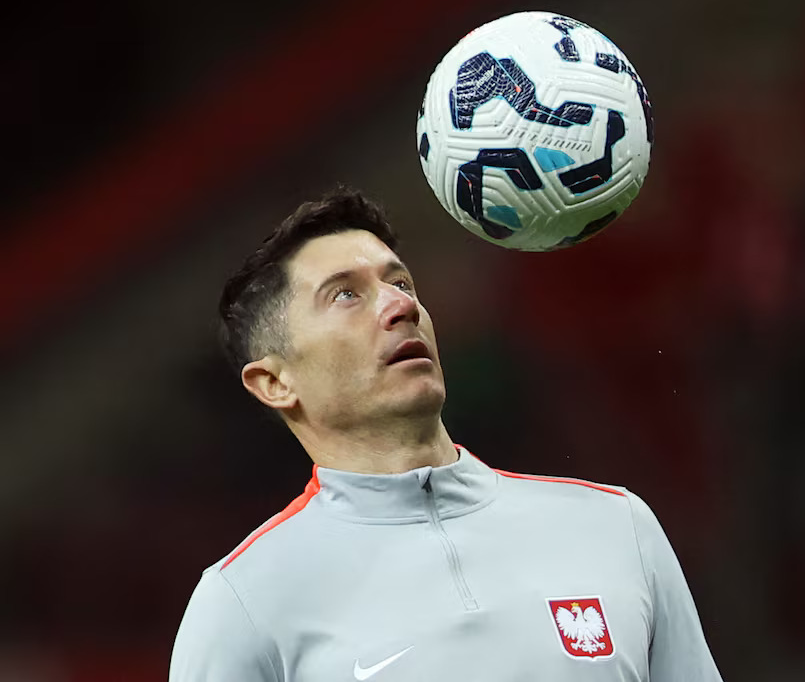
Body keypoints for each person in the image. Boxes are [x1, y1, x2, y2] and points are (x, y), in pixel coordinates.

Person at [170, 188, 722, 681]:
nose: (401, 305)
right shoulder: (243, 603)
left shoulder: (616, 527)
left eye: (400, 282)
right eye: (345, 294)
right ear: (274, 381)